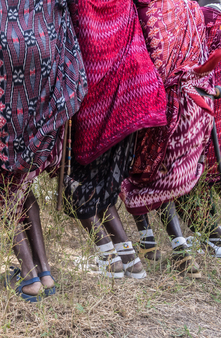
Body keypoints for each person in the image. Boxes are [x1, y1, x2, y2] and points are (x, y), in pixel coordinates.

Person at [0, 0, 87, 301]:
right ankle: (46, 271)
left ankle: (30, 277)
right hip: (41, 105)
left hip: (7, 105)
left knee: (5, 187)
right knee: (23, 187)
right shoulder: (50, 7)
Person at [63, 0, 167, 279]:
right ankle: (129, 260)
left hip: (100, 103)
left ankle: (109, 258)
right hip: (136, 93)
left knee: (76, 183)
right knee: (106, 184)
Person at [121, 0, 221, 278]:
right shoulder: (189, 8)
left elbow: (150, 60)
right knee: (160, 175)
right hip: (191, 108)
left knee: (134, 170)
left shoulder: (150, 9)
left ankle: (153, 244)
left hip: (156, 101)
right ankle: (178, 249)